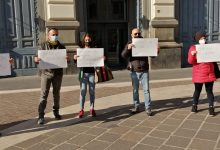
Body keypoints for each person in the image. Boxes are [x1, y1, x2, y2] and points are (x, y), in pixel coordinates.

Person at [34, 28, 69, 124]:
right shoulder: (43, 46)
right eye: (52, 34)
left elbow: (65, 60)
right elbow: (36, 57)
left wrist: (67, 59)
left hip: (58, 74)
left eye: (56, 34)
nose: (54, 36)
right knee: (44, 94)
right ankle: (41, 115)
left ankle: (56, 112)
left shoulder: (61, 47)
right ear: (48, 35)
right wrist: (36, 59)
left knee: (56, 94)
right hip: (46, 73)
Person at [121, 28, 153, 116]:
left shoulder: (145, 43)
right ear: (131, 35)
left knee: (146, 90)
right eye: (135, 34)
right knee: (135, 90)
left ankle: (148, 107)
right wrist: (128, 48)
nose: (137, 35)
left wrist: (156, 50)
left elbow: (152, 55)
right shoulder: (129, 43)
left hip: (144, 70)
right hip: (134, 71)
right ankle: (136, 106)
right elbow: (123, 55)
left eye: (138, 33)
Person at [188, 31, 216, 116]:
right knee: (197, 91)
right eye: (201, 38)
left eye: (204, 38)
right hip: (199, 74)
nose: (203, 40)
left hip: (208, 73)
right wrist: (193, 55)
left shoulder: (209, 47)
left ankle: (211, 108)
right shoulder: (193, 48)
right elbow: (190, 61)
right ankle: (194, 106)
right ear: (198, 39)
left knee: (209, 91)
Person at [74, 33, 97, 118]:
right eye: (86, 40)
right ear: (83, 40)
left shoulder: (94, 49)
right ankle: (81, 109)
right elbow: (77, 62)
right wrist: (75, 58)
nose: (87, 41)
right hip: (83, 73)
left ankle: (92, 108)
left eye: (88, 40)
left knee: (92, 91)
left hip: (92, 73)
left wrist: (103, 58)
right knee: (83, 91)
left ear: (90, 40)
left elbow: (99, 59)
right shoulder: (80, 50)